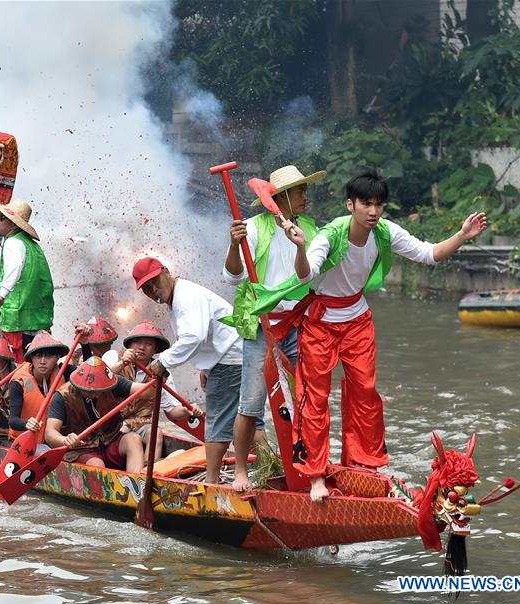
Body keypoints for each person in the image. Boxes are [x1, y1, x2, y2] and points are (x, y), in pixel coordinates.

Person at [274, 169, 488, 503]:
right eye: (366, 204)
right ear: (350, 205)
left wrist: (462, 235)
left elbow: (428, 254)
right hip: (320, 322)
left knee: (366, 394)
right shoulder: (330, 235)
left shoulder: (385, 232)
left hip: (357, 319)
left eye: (379, 204)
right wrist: (301, 248)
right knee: (313, 398)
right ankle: (316, 476)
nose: (373, 211)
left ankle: (364, 465)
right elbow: (307, 273)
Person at [222, 165, 321, 491]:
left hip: (298, 324)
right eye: (300, 192)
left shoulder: (307, 226)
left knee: (306, 400)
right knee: (250, 404)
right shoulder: (251, 227)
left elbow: (312, 275)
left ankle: (310, 469)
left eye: (305, 190)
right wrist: (235, 245)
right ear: (281, 198)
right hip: (263, 327)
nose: (306, 197)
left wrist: (301, 245)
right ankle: (240, 472)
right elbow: (233, 277)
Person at [133, 257, 243, 484]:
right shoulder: (178, 299)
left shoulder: (185, 297)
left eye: (154, 281)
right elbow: (204, 334)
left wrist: (163, 361)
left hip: (230, 359)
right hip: (230, 357)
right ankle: (269, 468)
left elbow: (194, 336)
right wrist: (206, 367)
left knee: (216, 423)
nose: (152, 290)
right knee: (246, 419)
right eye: (146, 288)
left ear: (166, 271)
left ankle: (211, 484)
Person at [114, 320, 204, 460]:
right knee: (122, 434)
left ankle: (149, 472)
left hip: (140, 423)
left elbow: (172, 410)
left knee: (155, 433)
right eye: (138, 342)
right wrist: (122, 364)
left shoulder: (161, 371)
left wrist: (187, 410)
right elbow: (98, 379)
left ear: (155, 350)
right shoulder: (114, 357)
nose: (142, 347)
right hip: (111, 424)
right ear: (130, 344)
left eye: (148, 344)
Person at [45, 356, 150, 471]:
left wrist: (159, 374)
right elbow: (50, 433)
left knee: (134, 440)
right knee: (96, 464)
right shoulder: (62, 396)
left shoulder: (112, 383)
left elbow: (147, 392)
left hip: (110, 439)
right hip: (82, 448)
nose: (95, 394)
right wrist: (64, 440)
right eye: (88, 391)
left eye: (99, 390)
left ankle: (136, 484)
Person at [0, 199, 55, 361]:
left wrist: (1, 294)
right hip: (39, 321)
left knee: (20, 372)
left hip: (18, 322)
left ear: (13, 224)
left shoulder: (12, 242)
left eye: (2, 218)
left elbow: (14, 267)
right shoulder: (33, 246)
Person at [7, 331, 73, 444]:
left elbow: (89, 373)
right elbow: (13, 421)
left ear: (57, 357)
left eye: (48, 356)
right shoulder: (19, 382)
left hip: (54, 440)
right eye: (38, 356)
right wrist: (27, 424)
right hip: (23, 443)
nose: (42, 361)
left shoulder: (64, 371)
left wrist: (85, 344)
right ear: (31, 358)